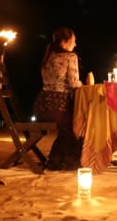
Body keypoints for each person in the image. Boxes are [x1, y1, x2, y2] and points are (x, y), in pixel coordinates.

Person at [33, 27, 83, 170]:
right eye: (73, 41)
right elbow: (74, 83)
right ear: (64, 42)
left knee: (68, 125)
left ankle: (57, 159)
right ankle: (66, 161)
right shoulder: (70, 57)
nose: (75, 45)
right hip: (57, 106)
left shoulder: (48, 56)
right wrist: (83, 84)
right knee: (77, 123)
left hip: (41, 106)